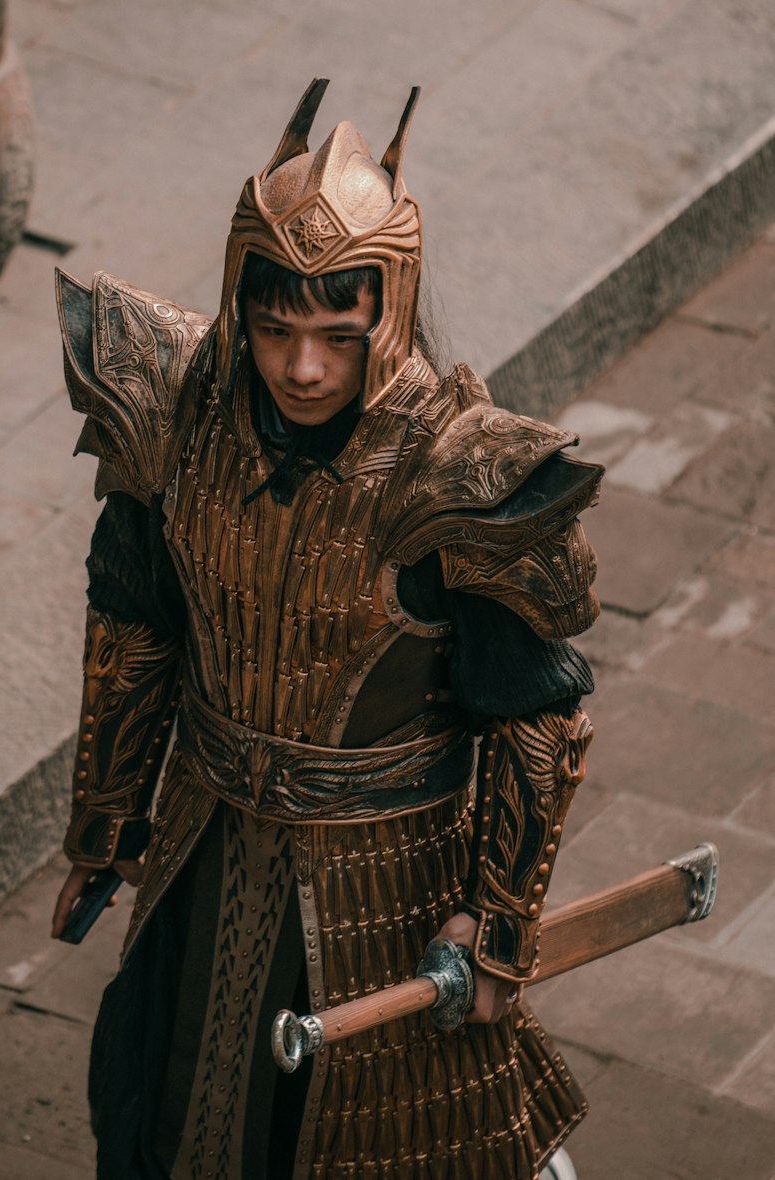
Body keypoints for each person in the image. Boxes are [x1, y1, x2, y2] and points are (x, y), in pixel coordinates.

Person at [51, 79, 601, 1180]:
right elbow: (136, 626)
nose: (302, 368)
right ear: (240, 309)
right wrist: (107, 819)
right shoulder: (175, 418)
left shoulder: (454, 474)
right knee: (158, 1099)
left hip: (384, 873)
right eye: (275, 329)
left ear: (385, 315)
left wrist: (494, 925)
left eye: (336, 337)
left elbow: (537, 715)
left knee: (377, 1141)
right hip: (205, 838)